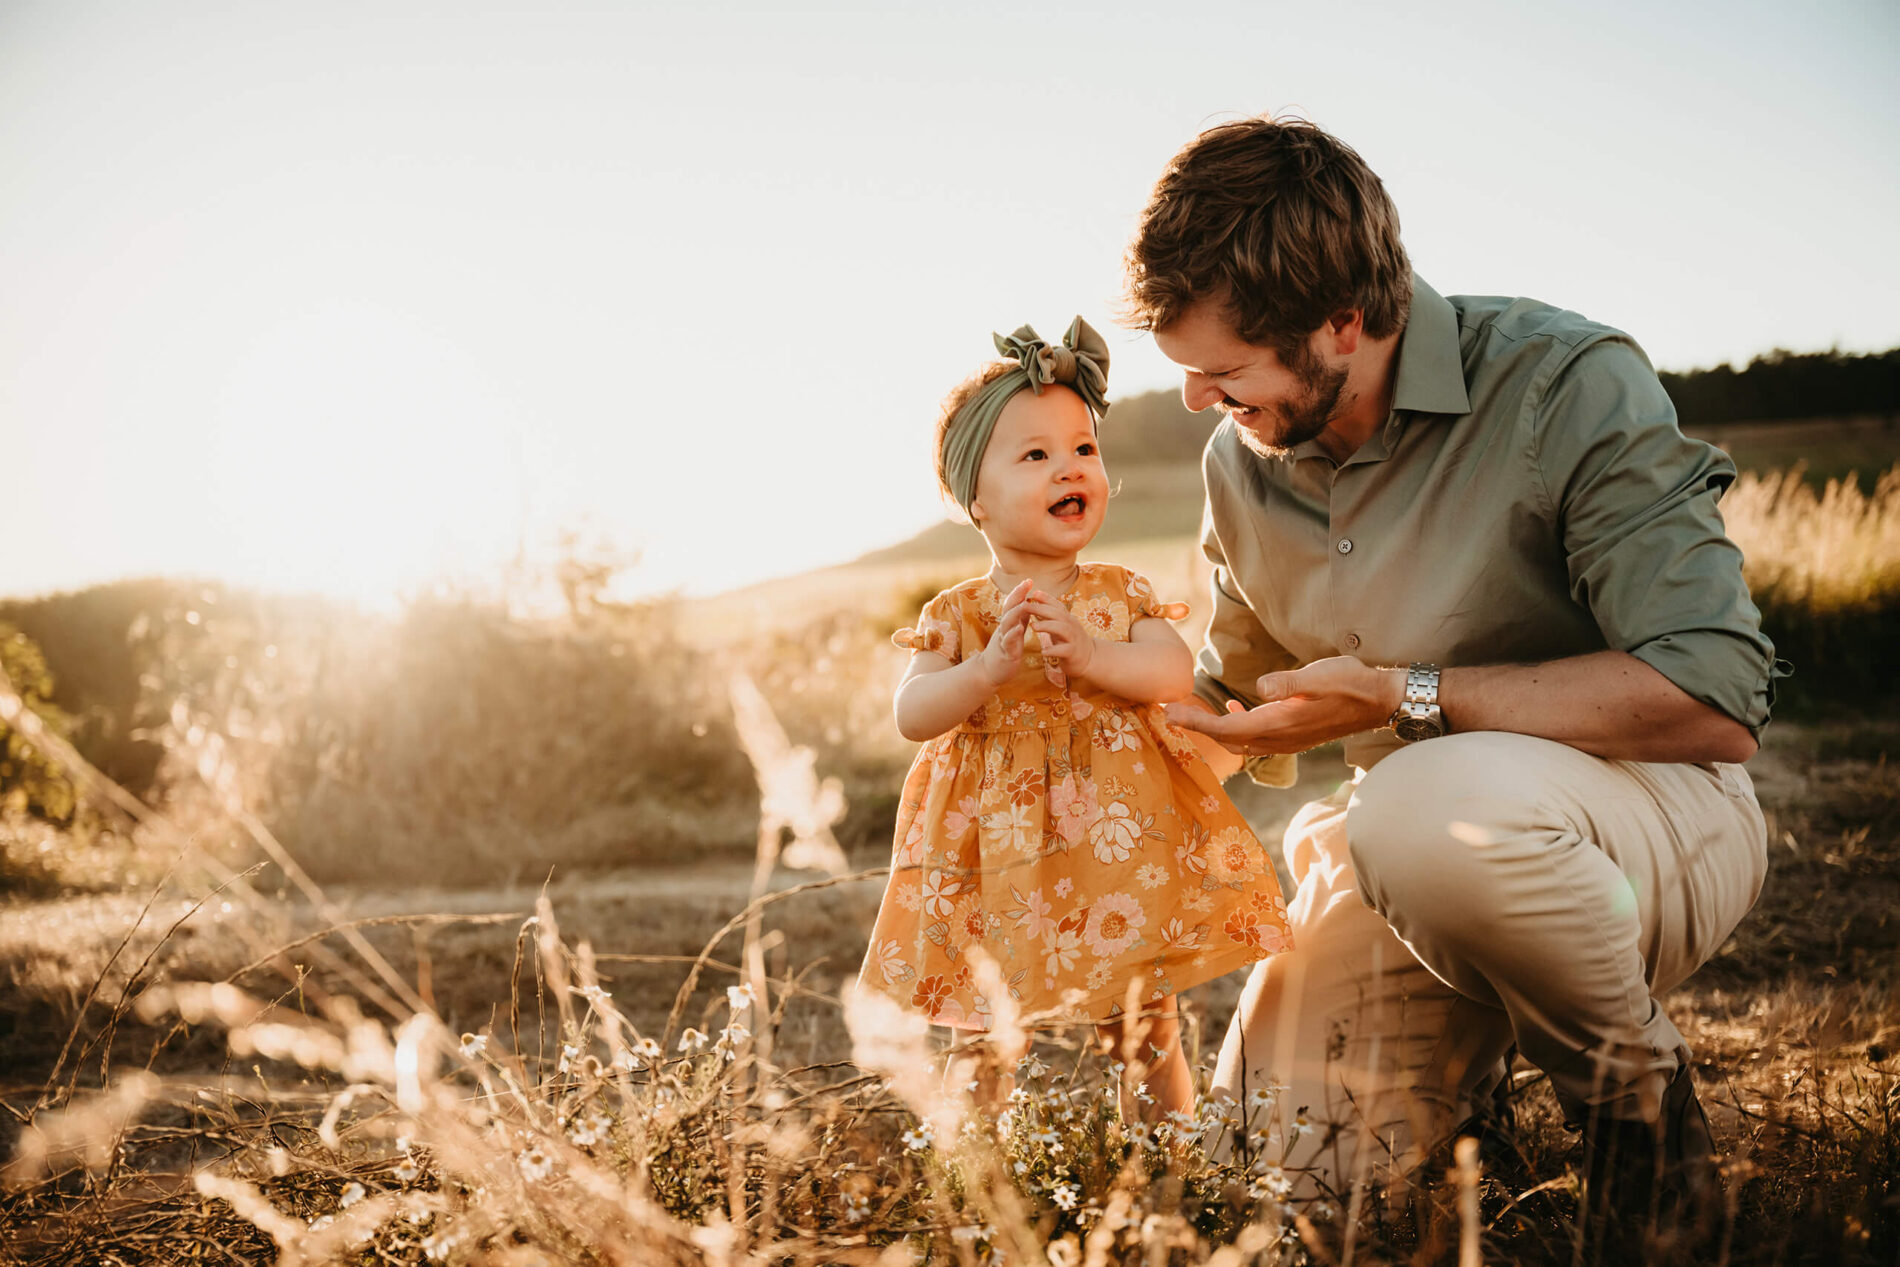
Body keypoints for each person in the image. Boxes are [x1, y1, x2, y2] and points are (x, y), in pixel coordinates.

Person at [1120, 116, 1782, 1229]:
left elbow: (1714, 699)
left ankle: (1642, 1128)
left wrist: (1403, 697)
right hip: (1399, 867)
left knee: (1422, 809)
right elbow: (1229, 695)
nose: (1197, 400)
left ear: (1344, 318)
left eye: (1221, 370)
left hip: (1652, 820)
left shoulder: (1565, 382)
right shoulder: (1241, 460)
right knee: (1269, 1196)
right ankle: (1469, 1105)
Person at [856, 317, 1293, 1126]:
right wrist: (983, 672)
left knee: (1139, 1016)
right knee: (982, 1024)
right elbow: (913, 712)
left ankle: (1164, 1159)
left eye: (1084, 449)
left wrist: (1092, 655)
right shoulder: (958, 614)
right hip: (997, 850)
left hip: (1111, 849)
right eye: (1036, 454)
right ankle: (977, 1172)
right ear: (974, 499)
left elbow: (1169, 672)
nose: (1071, 467)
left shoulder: (1120, 592)